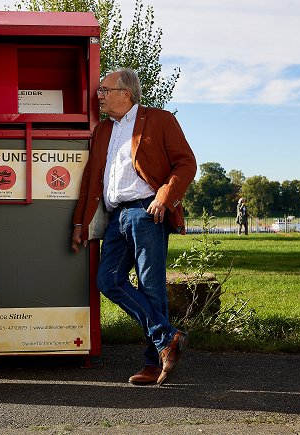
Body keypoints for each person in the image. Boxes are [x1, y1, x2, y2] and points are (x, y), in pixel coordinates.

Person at [71, 68, 197, 386]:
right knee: (108, 280)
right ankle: (168, 337)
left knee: (151, 287)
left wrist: (164, 199)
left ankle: (154, 364)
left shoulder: (160, 119)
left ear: (126, 94)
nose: (98, 95)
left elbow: (186, 162)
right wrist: (79, 223)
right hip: (116, 217)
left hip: (146, 212)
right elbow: (90, 182)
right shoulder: (103, 131)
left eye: (104, 90)